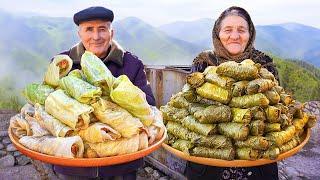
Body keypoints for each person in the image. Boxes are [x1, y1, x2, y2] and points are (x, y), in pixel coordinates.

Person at [52, 6, 156, 180]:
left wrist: (120, 97)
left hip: (122, 164)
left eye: (102, 29)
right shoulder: (62, 64)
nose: (96, 36)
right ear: (80, 34)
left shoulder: (131, 64)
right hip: (74, 164)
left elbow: (150, 106)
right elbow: (48, 107)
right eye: (89, 29)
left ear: (111, 32)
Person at [186, 6, 279, 180]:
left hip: (257, 162)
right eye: (228, 30)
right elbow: (192, 109)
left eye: (241, 30)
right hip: (208, 160)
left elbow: (275, 109)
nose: (235, 36)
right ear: (217, 33)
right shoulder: (203, 63)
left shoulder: (264, 64)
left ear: (250, 34)